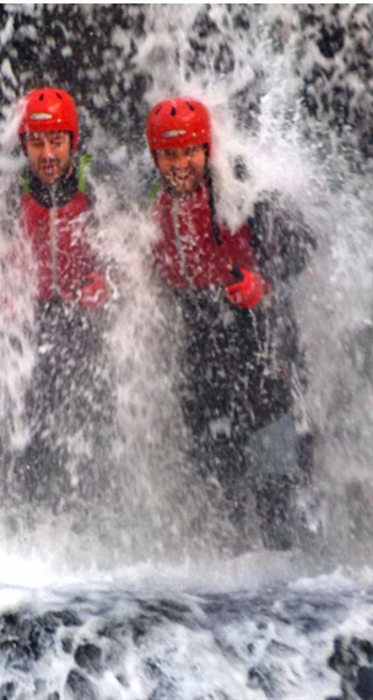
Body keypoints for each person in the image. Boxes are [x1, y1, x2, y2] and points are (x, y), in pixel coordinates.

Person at [145, 96, 316, 551]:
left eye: (189, 152)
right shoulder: (149, 198)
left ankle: (287, 548)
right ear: (155, 157)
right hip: (201, 325)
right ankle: (231, 554)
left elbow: (302, 244)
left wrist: (263, 282)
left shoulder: (242, 183)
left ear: (206, 149)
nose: (180, 165)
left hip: (260, 323)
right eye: (169, 155)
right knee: (212, 454)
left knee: (272, 449)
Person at [0, 87, 115, 518]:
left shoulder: (96, 185)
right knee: (30, 419)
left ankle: (91, 509)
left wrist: (106, 280)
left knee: (91, 414)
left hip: (85, 315)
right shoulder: (10, 191)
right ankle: (30, 510)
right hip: (35, 318)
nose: (47, 154)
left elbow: (129, 245)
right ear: (24, 146)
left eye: (56, 142)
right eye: (37, 143)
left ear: (73, 142)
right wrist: (3, 289)